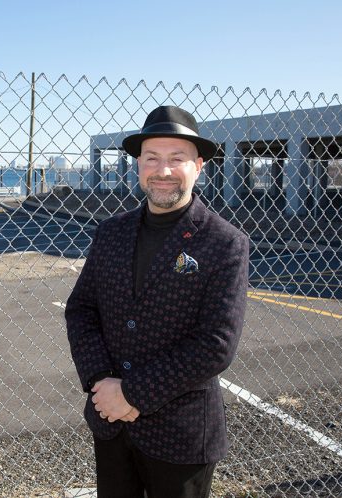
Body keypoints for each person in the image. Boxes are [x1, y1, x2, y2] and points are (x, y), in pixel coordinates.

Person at [65, 105, 249, 498]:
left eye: (176, 159)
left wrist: (131, 393)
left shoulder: (224, 242)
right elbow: (82, 309)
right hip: (110, 421)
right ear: (138, 165)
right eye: (152, 158)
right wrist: (102, 384)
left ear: (198, 166)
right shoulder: (110, 233)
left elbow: (216, 344)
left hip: (181, 437)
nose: (163, 170)